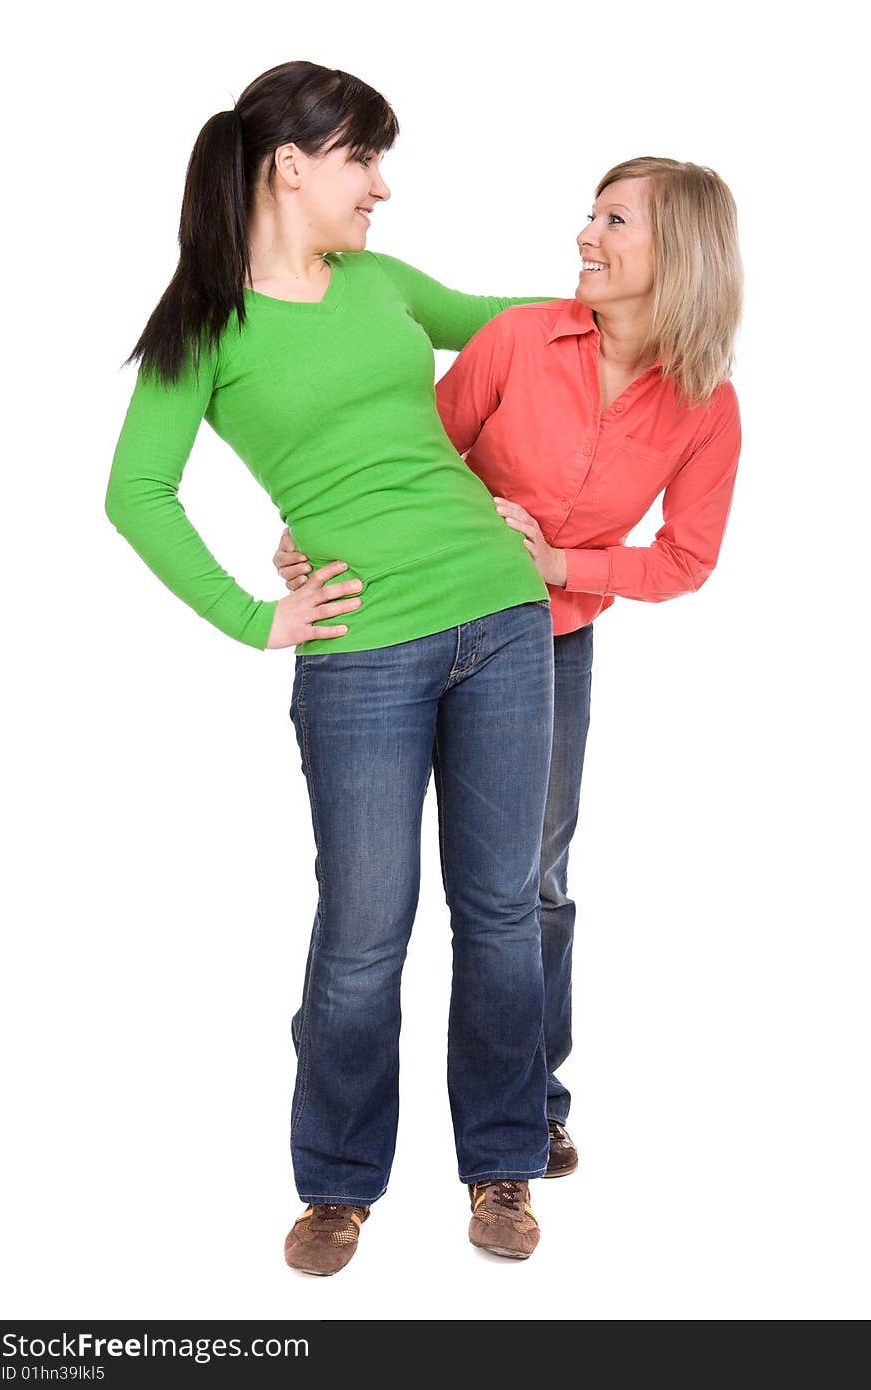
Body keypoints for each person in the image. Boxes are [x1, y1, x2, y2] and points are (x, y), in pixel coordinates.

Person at [104, 59, 562, 1275]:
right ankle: (338, 1186)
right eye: (363, 158)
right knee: (365, 929)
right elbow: (133, 494)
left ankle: (504, 1165)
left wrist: (632, 280)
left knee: (503, 911)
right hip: (359, 656)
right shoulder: (203, 326)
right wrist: (257, 618)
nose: (382, 187)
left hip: (504, 616)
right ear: (288, 164)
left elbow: (518, 328)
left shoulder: (378, 282)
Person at [275, 155, 744, 1180]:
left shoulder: (705, 406)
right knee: (365, 904)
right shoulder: (519, 338)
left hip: (550, 643)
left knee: (528, 890)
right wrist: (318, 536)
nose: (584, 235)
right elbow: (414, 451)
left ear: (682, 258)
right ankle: (337, 1086)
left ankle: (527, 1103)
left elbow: (684, 558)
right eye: (590, 213)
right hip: (408, 622)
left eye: (614, 221)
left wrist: (559, 564)